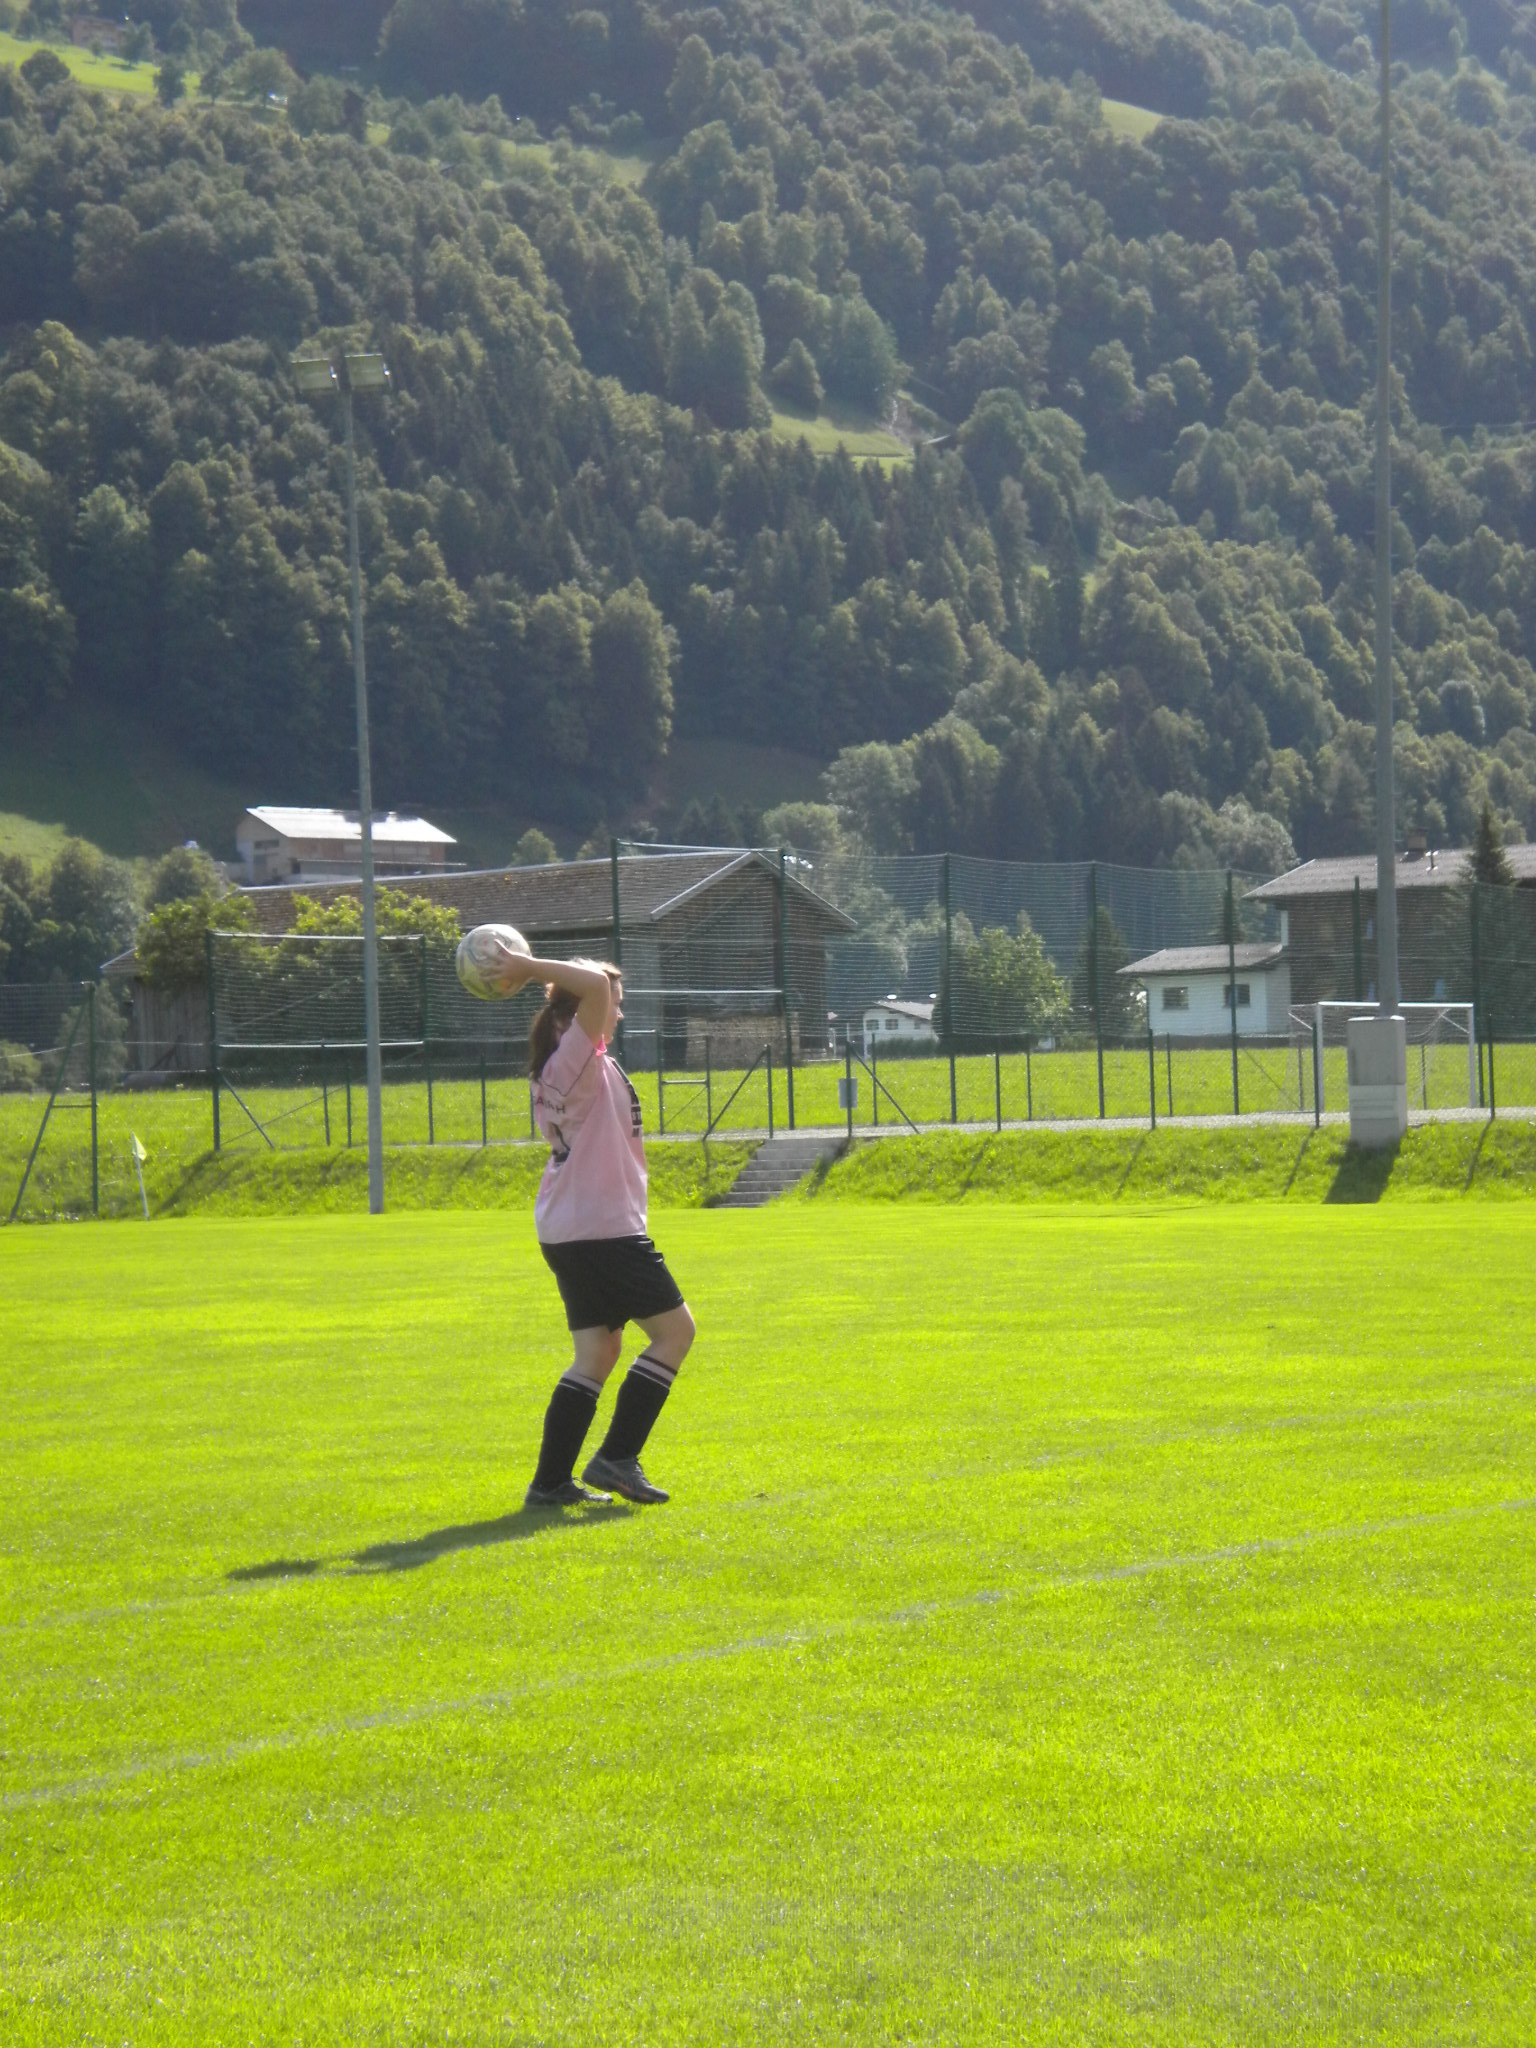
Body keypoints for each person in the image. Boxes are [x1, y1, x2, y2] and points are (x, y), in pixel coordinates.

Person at [497, 946, 695, 1508]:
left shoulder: (574, 1057)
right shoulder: (574, 1055)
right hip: (601, 1229)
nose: (619, 1011)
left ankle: (550, 1484)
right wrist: (527, 966)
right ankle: (617, 1458)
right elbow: (595, 986)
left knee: (598, 1354)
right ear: (579, 1009)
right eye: (615, 1002)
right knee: (676, 1334)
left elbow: (594, 991)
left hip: (574, 1228)